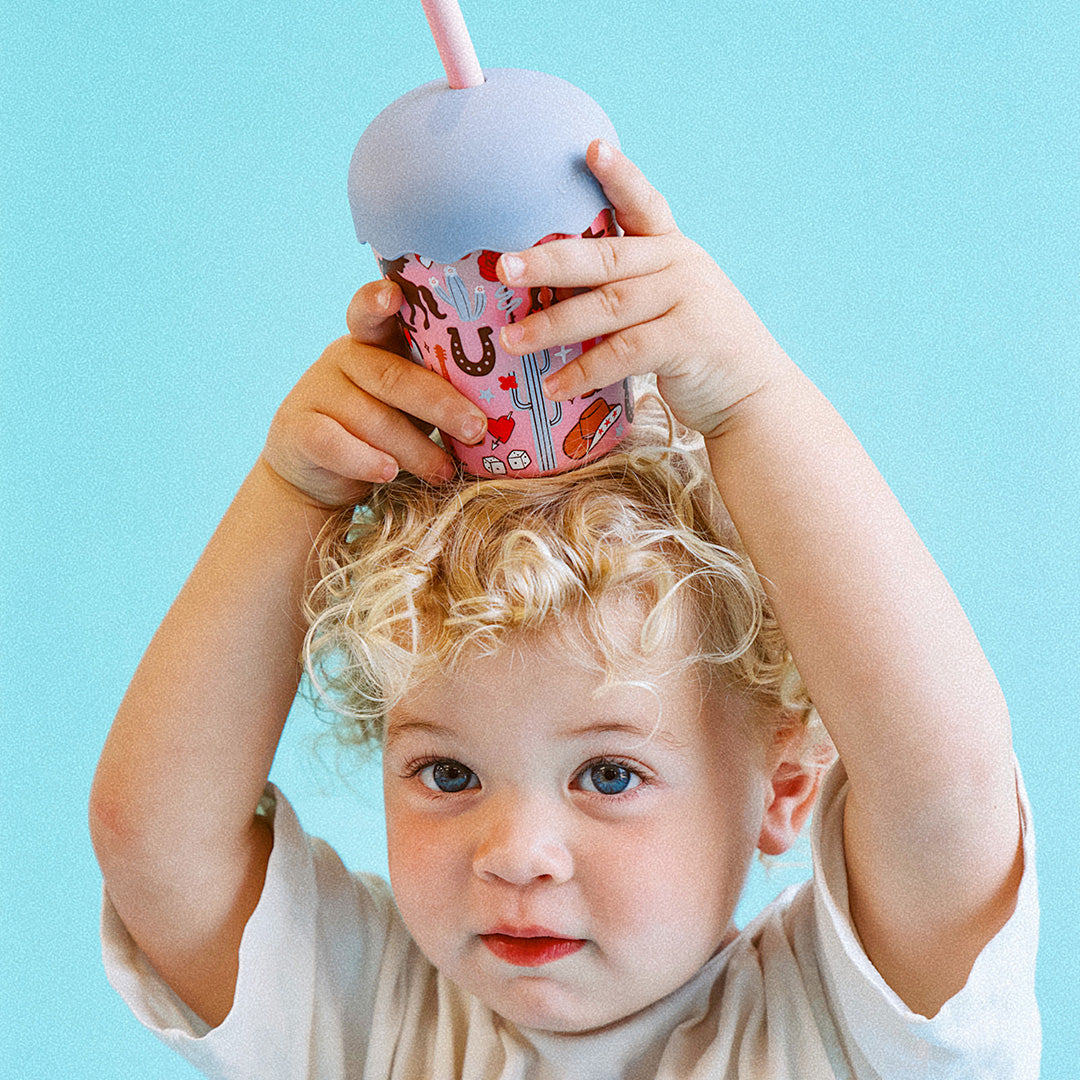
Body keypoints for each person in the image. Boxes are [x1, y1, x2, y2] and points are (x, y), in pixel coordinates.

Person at [90, 140, 1039, 1078]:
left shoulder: (845, 1030)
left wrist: (749, 402)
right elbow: (154, 841)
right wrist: (295, 491)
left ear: (784, 786)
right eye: (448, 773)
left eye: (610, 775)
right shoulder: (363, 1014)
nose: (517, 856)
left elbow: (949, 793)